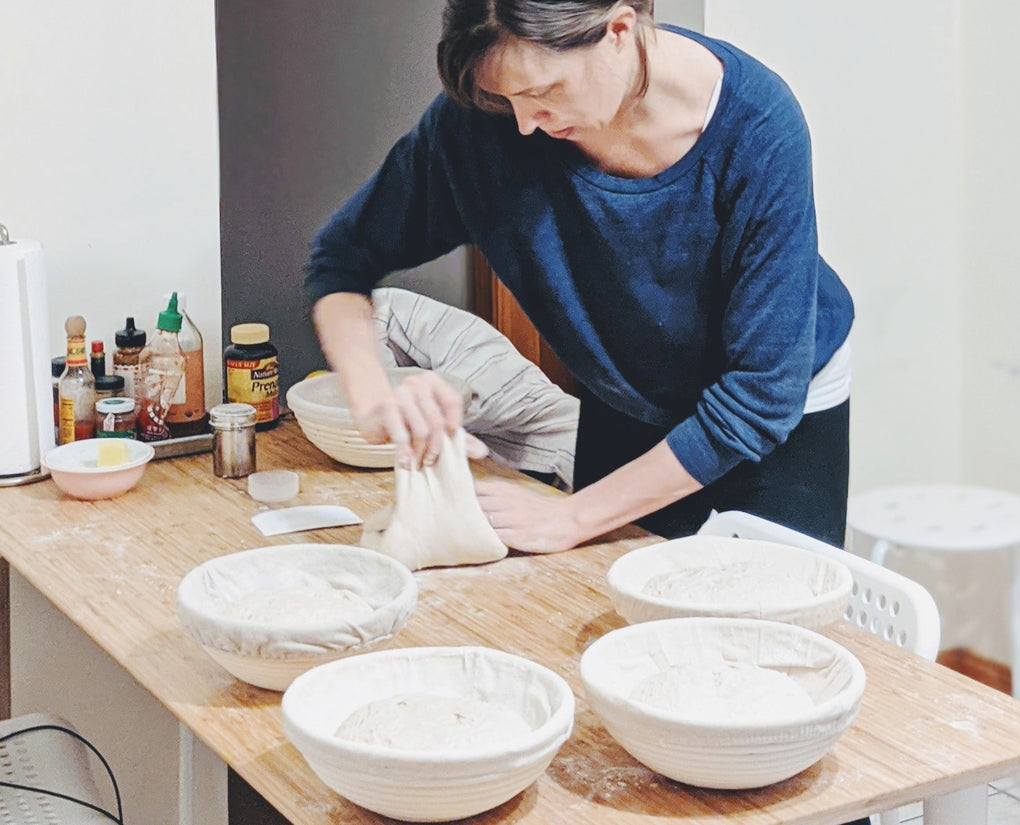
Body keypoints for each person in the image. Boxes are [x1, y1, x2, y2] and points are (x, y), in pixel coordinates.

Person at [306, 0, 855, 555]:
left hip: (770, 425)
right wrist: (373, 392)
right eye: (505, 98)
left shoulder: (758, 127)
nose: (523, 123)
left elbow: (759, 397)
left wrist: (573, 517)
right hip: (625, 397)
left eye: (544, 92)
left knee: (763, 630)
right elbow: (342, 257)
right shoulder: (490, 122)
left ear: (619, 29)